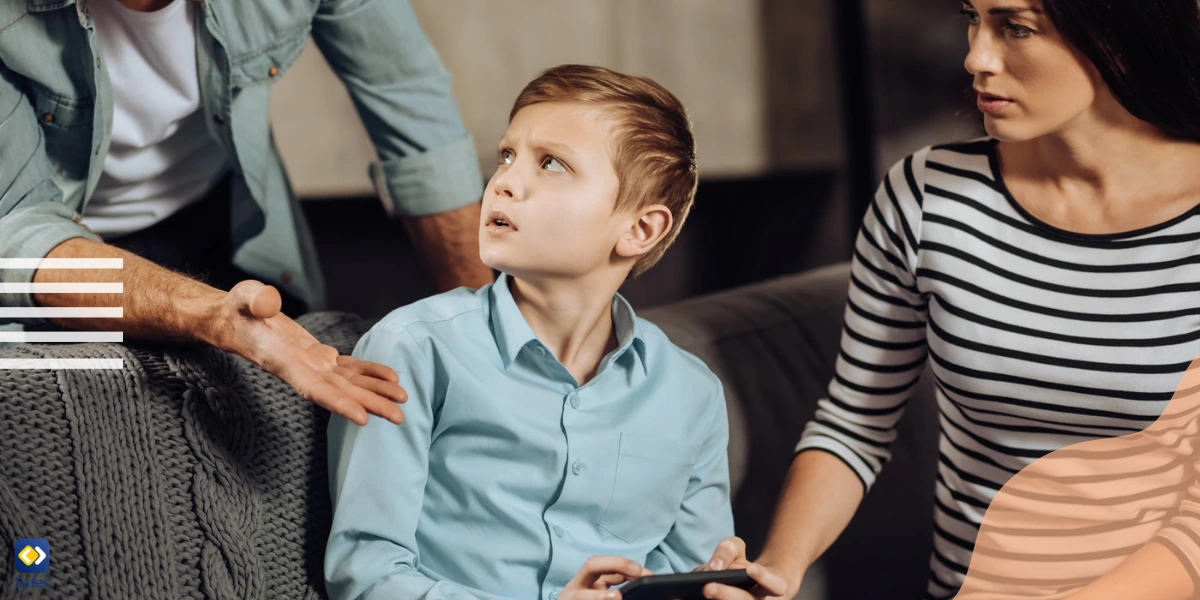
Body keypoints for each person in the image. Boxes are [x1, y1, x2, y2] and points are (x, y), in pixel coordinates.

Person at [696, 0, 1200, 598]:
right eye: (972, 19)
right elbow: (854, 422)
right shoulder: (925, 196)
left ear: (1118, 35)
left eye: (1016, 27)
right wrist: (778, 568)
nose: (976, 58)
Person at [324, 64, 733, 600]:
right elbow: (366, 575)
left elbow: (685, 572)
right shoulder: (414, 348)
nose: (505, 182)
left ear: (639, 229)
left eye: (553, 164)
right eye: (507, 156)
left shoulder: (692, 395)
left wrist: (715, 587)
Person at [0, 0, 493, 425]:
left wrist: (486, 340)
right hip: (61, 260)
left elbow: (416, 117)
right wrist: (212, 316)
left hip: (230, 217)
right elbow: (19, 236)